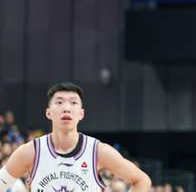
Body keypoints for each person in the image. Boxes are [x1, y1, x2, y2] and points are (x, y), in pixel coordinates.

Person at [0, 82, 151, 192]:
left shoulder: (99, 152)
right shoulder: (30, 152)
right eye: (59, 102)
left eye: (73, 103)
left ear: (81, 114)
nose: (66, 108)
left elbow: (142, 181)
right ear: (48, 113)